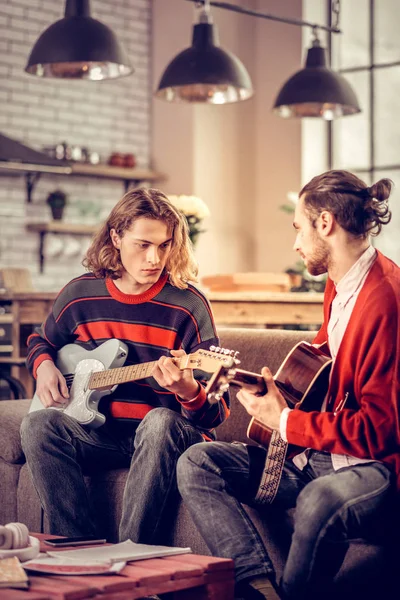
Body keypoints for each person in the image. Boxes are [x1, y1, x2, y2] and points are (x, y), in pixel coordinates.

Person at [177, 170, 400, 600]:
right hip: (322, 457)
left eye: (299, 228)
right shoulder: (340, 282)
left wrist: (285, 421)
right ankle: (259, 587)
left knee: (318, 499)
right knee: (197, 462)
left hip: (375, 471)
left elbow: (380, 431)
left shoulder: (386, 301)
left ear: (325, 223)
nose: (296, 243)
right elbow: (327, 359)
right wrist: (277, 393)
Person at [20, 187, 229, 544]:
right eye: (143, 244)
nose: (155, 258)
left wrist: (187, 390)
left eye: (164, 245)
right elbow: (41, 340)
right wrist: (43, 367)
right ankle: (76, 550)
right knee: (38, 423)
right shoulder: (80, 295)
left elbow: (216, 413)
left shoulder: (188, 304)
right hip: (100, 435)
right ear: (116, 237)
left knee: (159, 420)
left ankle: (134, 554)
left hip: (163, 437)